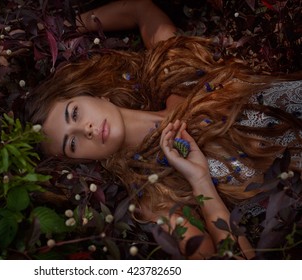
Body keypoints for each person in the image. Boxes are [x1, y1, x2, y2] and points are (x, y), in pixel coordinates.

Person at [21, 0, 302, 259]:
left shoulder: (173, 76)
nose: (87, 130)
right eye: (72, 144)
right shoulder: (154, 195)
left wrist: (54, 32)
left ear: (93, 94)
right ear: (81, 163)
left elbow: (141, 9)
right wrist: (201, 181)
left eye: (75, 113)